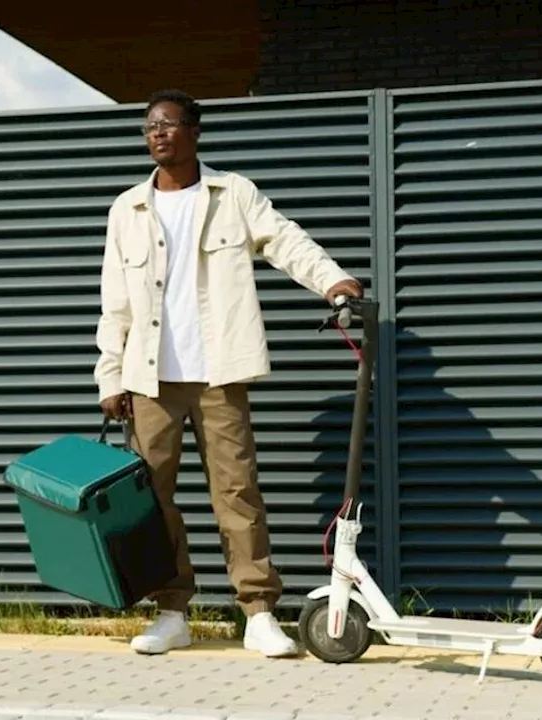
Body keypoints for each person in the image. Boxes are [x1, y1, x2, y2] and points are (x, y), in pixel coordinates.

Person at [93, 89, 364, 658]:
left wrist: (334, 280)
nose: (157, 134)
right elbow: (114, 304)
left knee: (237, 491)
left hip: (219, 371)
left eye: (168, 124)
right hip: (148, 381)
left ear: (194, 131)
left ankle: (259, 612)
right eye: (149, 127)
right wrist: (110, 378)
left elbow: (285, 240)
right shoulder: (127, 209)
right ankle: (171, 612)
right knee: (153, 500)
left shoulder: (233, 193)